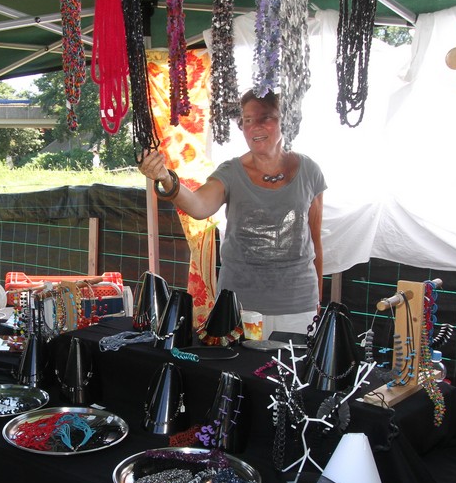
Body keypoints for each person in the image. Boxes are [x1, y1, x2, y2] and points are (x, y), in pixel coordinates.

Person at [138, 89, 326, 336]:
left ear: (285, 119)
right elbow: (199, 206)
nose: (255, 126)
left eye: (265, 117)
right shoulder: (230, 172)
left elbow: (315, 242)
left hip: (298, 306)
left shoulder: (310, 171)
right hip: (239, 305)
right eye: (247, 120)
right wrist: (166, 178)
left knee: (293, 362)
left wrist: (317, 299)